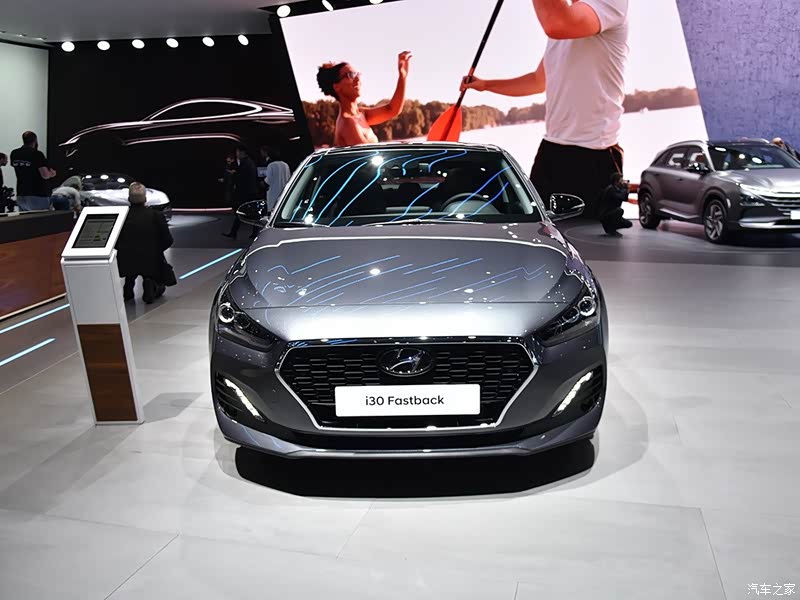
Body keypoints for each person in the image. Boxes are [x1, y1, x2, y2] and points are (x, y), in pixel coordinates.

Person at [460, 0, 630, 227]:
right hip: (551, 151)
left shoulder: (608, 3)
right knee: (538, 234)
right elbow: (538, 81)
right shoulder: (560, 33)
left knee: (589, 243)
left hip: (594, 155)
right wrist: (486, 85)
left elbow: (557, 22)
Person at [316, 51, 412, 147]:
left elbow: (392, 109)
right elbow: (370, 154)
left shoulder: (360, 114)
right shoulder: (347, 122)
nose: (357, 79)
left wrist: (402, 76)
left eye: (357, 74)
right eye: (350, 75)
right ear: (337, 87)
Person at [116, 182, 174, 304]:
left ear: (129, 198)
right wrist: (157, 250)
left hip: (127, 260)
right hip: (151, 259)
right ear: (145, 198)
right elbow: (168, 240)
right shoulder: (156, 215)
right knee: (153, 272)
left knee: (131, 267)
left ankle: (128, 287)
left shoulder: (122, 217)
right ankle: (150, 284)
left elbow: (116, 240)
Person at [10, 131, 58, 211]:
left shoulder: (14, 153)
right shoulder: (37, 154)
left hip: (21, 193)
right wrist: (52, 173)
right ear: (35, 140)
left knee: (25, 218)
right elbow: (45, 175)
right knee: (40, 217)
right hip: (37, 194)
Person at [223, 146, 260, 239]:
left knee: (245, 212)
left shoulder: (246, 163)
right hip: (250, 191)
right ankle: (235, 232)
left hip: (247, 192)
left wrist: (234, 174)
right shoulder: (249, 162)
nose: (236, 154)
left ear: (242, 152)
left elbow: (242, 177)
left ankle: (237, 232)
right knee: (246, 212)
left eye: (237, 152)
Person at [261, 146, 292, 214]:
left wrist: (262, 183)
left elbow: (268, 181)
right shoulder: (285, 165)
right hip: (285, 193)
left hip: (273, 194)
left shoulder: (271, 165)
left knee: (273, 212)